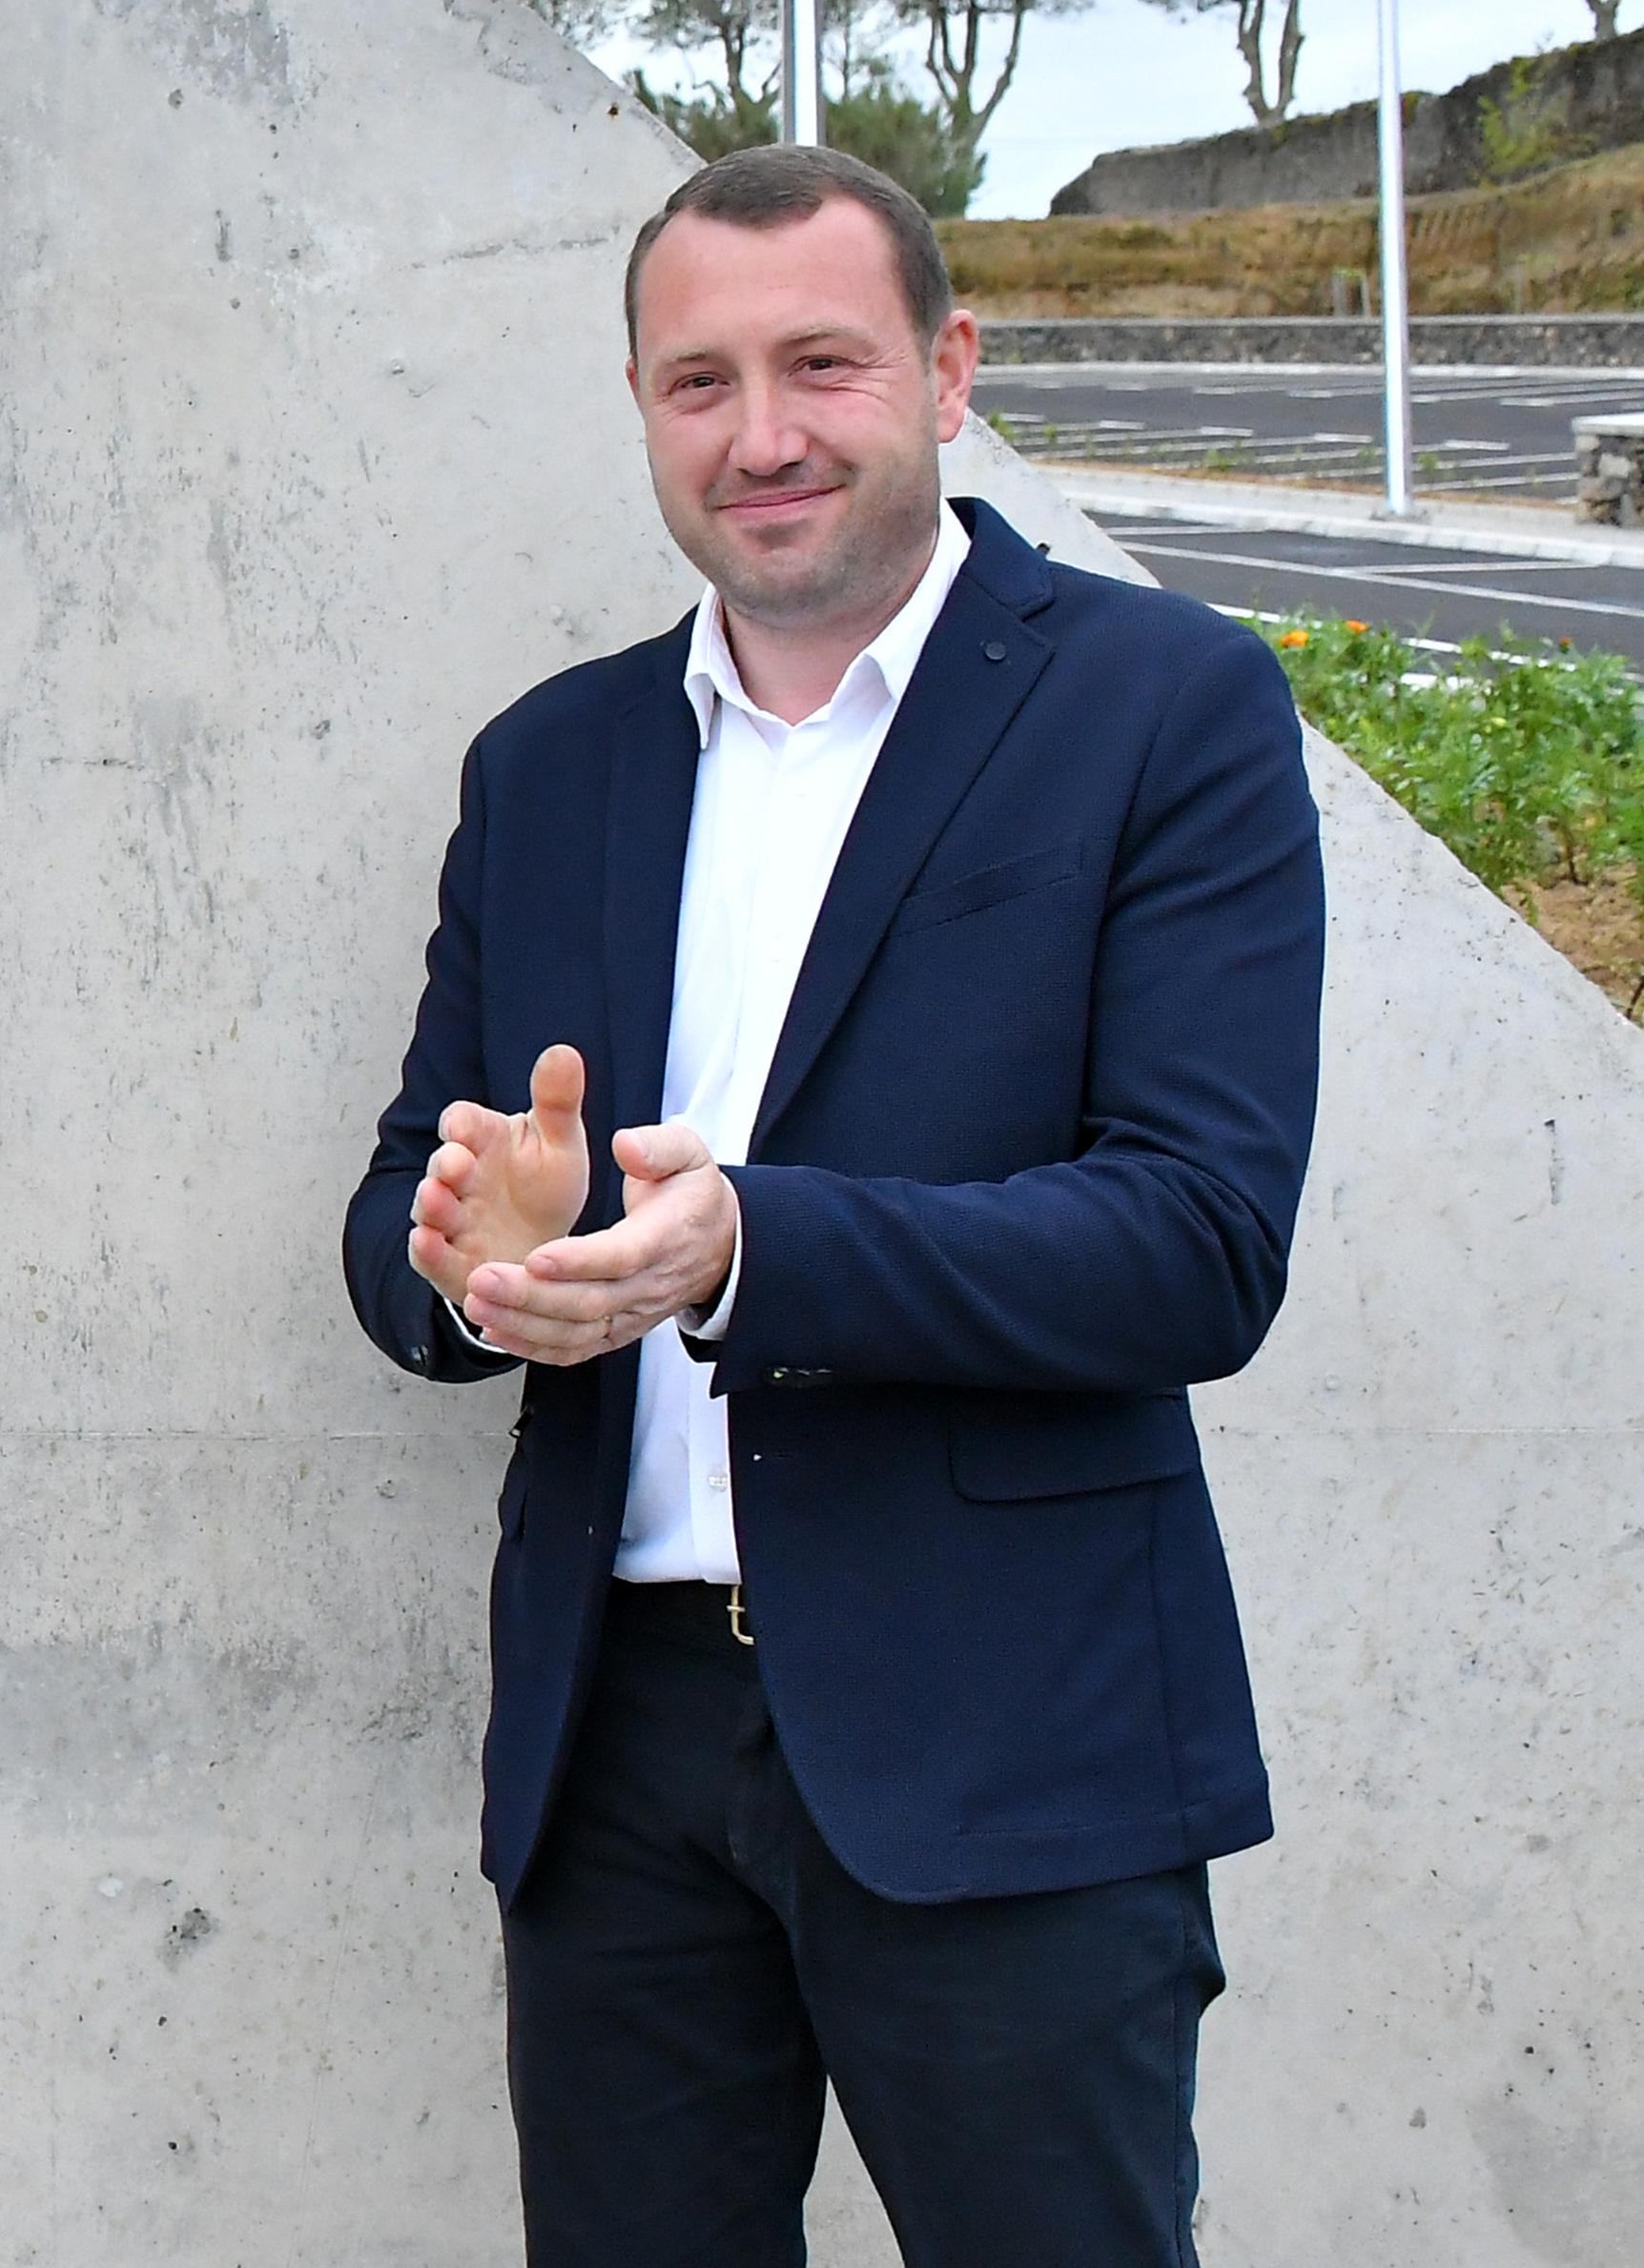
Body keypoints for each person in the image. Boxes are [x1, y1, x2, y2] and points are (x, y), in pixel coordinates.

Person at [338, 144, 1323, 2266]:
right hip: (622, 1755)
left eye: (821, 366)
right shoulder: (552, 765)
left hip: (1011, 1732)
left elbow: (1200, 1237)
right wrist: (472, 1262)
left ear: (950, 371)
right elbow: (397, 1214)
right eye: (697, 383)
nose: (761, 437)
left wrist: (751, 1247)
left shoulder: (1166, 710)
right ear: (639, 408)